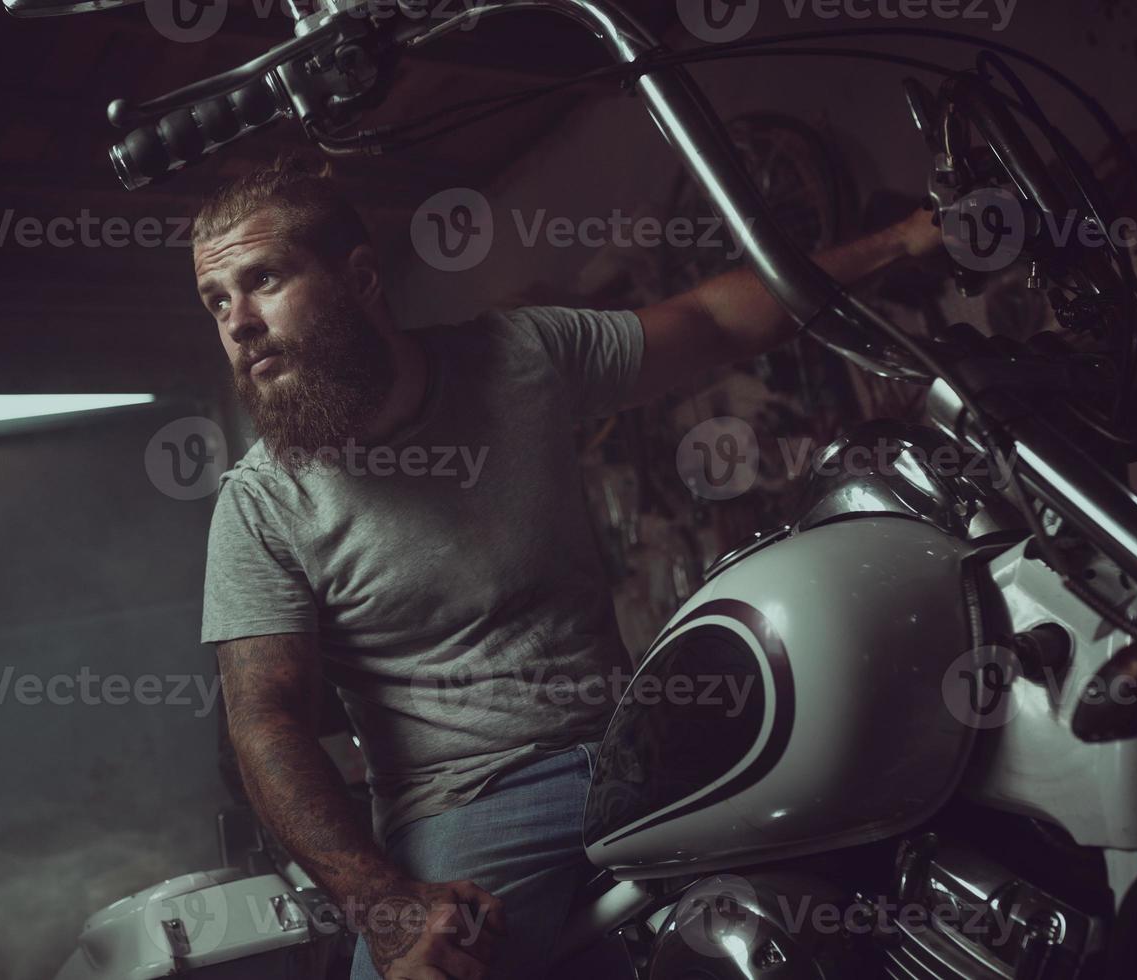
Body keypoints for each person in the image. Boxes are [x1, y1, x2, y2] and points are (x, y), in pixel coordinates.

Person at [196, 154, 941, 980]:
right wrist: (386, 905)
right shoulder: (259, 505)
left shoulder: (520, 356)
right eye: (216, 300)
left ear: (361, 278)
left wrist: (904, 241)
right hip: (471, 807)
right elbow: (265, 720)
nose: (238, 322)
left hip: (638, 751)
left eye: (262, 279)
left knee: (871, 864)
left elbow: (714, 322)